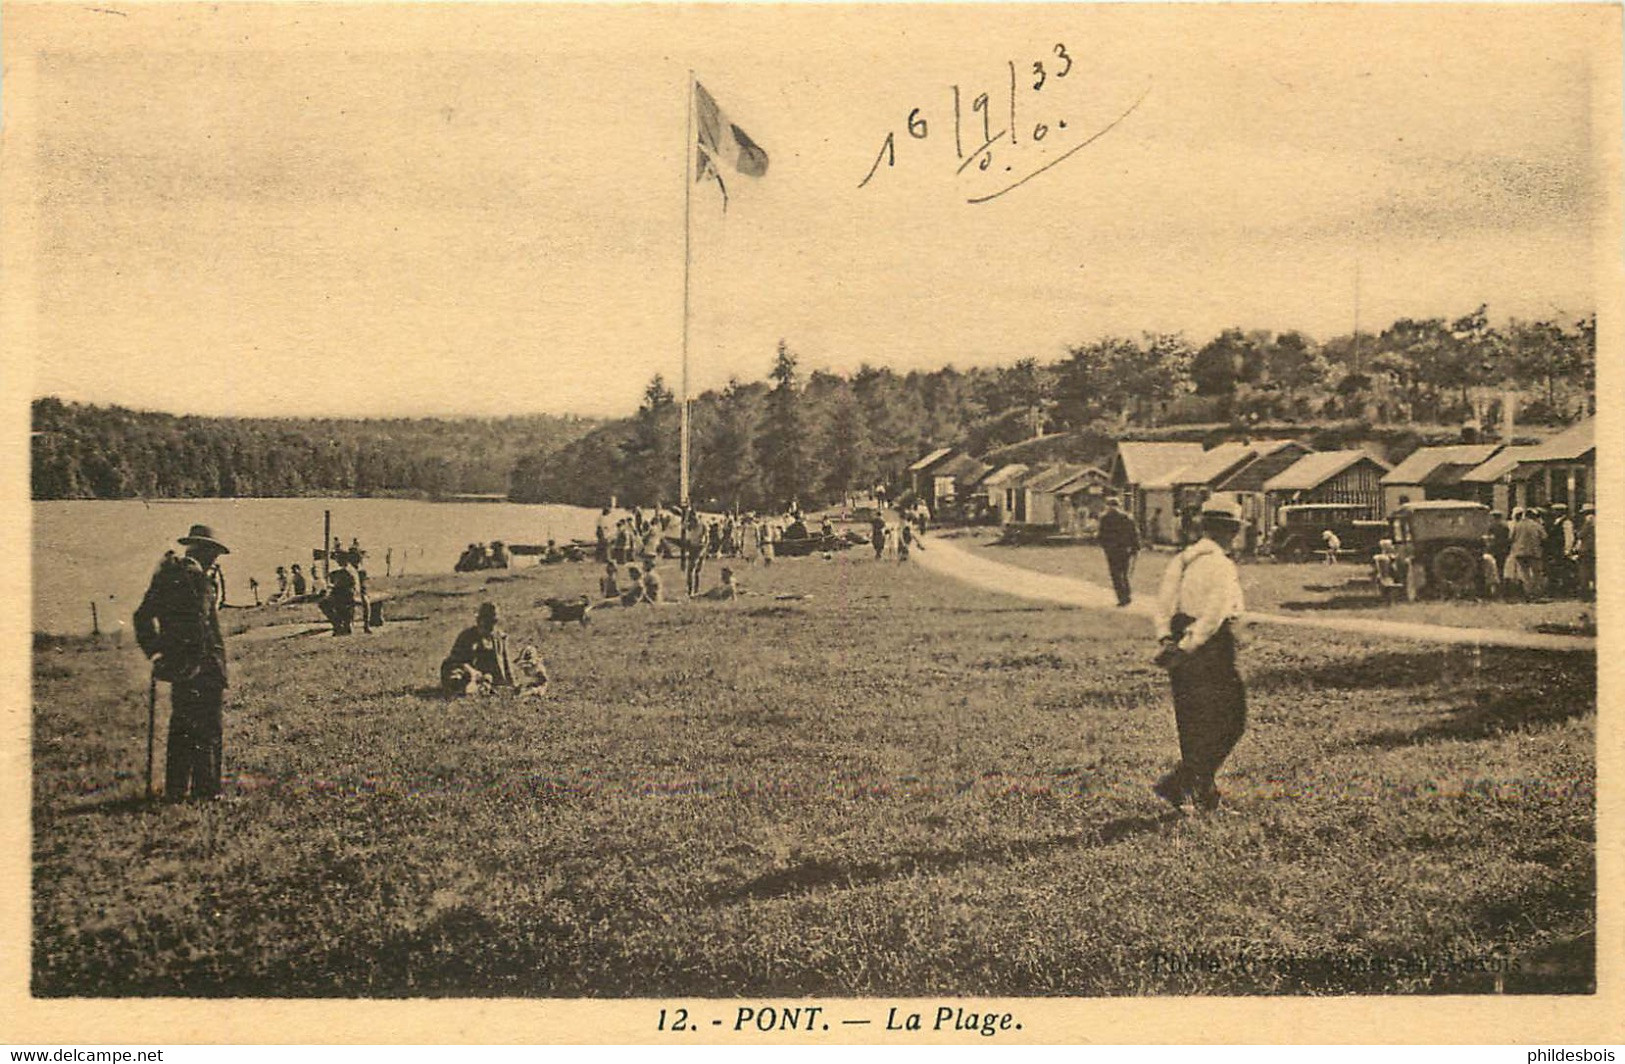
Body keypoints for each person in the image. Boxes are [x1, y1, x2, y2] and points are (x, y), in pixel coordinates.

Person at [1151, 499, 1248, 813]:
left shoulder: (1182, 559)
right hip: (1210, 643)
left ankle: (1202, 796)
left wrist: (1167, 639)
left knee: (1192, 720)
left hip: (1179, 635)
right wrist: (1188, 646)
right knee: (1232, 718)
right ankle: (1182, 783)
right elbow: (1215, 613)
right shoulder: (1220, 563)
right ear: (1231, 531)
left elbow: (1164, 603)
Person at [133, 524, 231, 802]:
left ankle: (178, 790)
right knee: (206, 729)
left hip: (187, 665)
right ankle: (205, 792)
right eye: (213, 554)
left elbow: (142, 616)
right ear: (202, 550)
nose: (215, 561)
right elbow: (197, 627)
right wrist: (160, 653)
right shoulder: (191, 579)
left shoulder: (169, 576)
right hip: (200, 666)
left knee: (184, 728)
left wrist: (157, 653)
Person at [440, 603, 547, 697]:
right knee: (460, 680)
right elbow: (456, 661)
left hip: (492, 678)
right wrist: (473, 673)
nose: (490, 626)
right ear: (479, 620)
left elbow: (506, 664)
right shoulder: (467, 636)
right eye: (486, 621)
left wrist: (512, 683)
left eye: (493, 621)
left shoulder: (500, 638)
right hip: (470, 674)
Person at [1097, 496, 1140, 607]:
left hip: (1112, 550)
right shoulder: (1127, 517)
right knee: (1123, 573)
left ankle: (1122, 597)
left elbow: (1101, 535)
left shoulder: (1105, 518)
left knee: (1116, 574)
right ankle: (1127, 594)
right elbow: (1134, 533)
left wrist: (1104, 545)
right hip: (1124, 549)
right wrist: (1135, 547)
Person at [321, 555, 367, 635]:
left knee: (325, 604)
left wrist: (331, 586)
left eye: (340, 559)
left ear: (345, 560)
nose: (338, 561)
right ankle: (341, 625)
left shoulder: (348, 570)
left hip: (348, 595)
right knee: (328, 602)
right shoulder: (345, 570)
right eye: (337, 559)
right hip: (346, 594)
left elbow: (342, 584)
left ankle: (338, 625)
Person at [1506, 508, 1546, 599]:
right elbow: (1544, 537)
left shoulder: (1517, 525)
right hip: (1534, 552)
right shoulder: (1537, 525)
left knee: (1524, 573)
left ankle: (1528, 593)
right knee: (1536, 573)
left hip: (1520, 552)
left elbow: (1510, 538)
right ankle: (1536, 593)